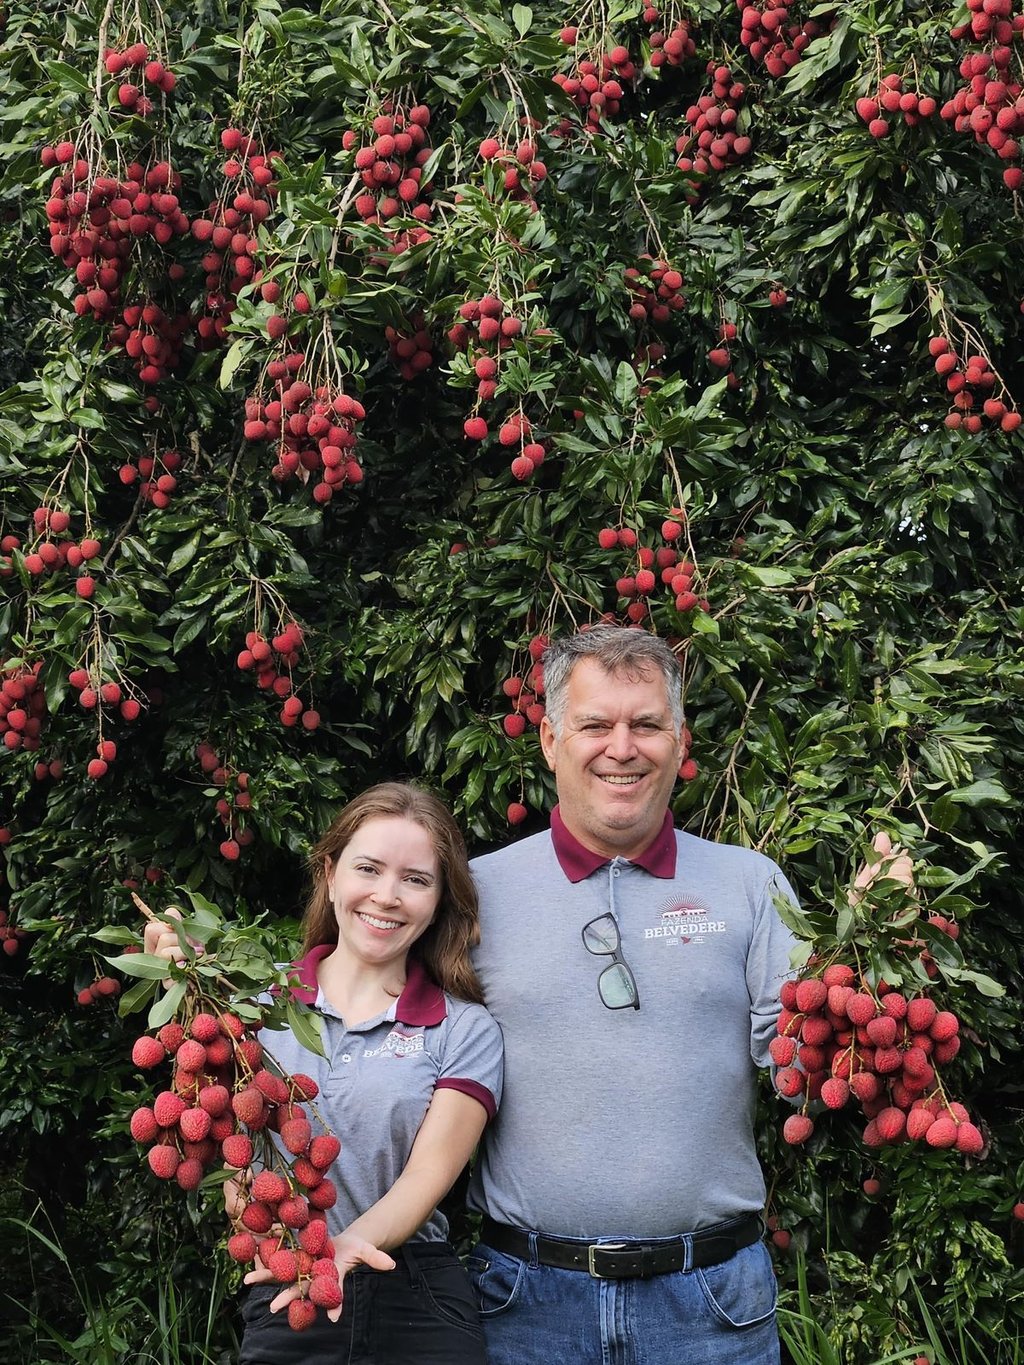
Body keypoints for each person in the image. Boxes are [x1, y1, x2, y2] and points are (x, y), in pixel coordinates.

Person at [465, 624, 799, 1365]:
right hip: (526, 1306)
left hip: (711, 1303)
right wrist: (207, 980)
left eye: (646, 724)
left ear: (680, 742)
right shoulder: (474, 894)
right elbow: (367, 1024)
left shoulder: (751, 884)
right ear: (551, 740)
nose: (623, 746)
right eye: (596, 724)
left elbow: (801, 1070)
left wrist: (873, 954)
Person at [144, 782, 502, 1365]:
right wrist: (184, 990)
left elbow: (426, 1178)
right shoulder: (251, 1005)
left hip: (417, 1298)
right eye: (368, 869)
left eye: (415, 879)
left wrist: (345, 1248)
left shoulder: (464, 1031)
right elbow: (224, 1139)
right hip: (291, 1289)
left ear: (438, 901)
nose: (387, 896)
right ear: (331, 875)